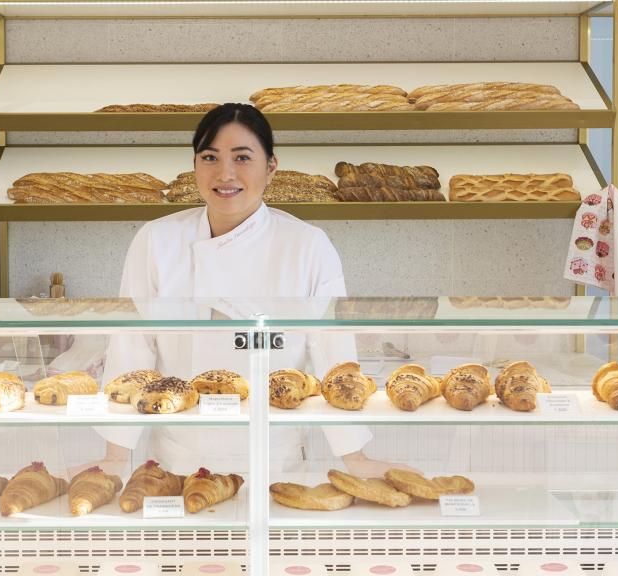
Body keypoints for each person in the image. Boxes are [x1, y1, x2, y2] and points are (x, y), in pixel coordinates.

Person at [76, 103, 409, 478]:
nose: (225, 173)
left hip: (275, 457)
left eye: (242, 157)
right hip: (179, 458)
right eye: (210, 157)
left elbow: (334, 355)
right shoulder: (156, 240)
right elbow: (132, 349)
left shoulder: (307, 245)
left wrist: (356, 459)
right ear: (195, 165)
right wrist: (116, 457)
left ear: (270, 167)